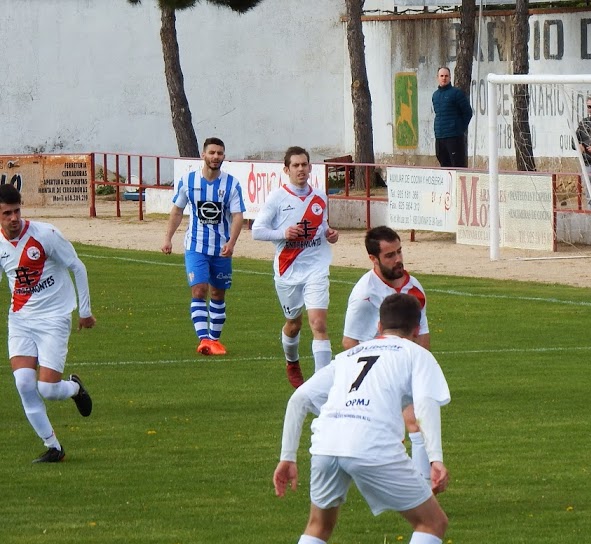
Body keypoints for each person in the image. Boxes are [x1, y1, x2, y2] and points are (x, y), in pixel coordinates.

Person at [273, 293, 451, 544]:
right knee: (432, 523)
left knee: (318, 525)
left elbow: (299, 398)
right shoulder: (417, 354)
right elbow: (426, 405)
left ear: (379, 326)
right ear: (416, 329)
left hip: (327, 442)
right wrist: (436, 459)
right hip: (371, 443)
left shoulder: (349, 355)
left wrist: (287, 457)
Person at [0, 184, 94, 463]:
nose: (14, 218)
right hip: (20, 320)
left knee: (48, 390)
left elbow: (77, 266)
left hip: (54, 318)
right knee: (23, 383)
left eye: (17, 211)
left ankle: (74, 388)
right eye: (7, 213)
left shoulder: (45, 234)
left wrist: (85, 312)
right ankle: (53, 447)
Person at [342, 226, 433, 485]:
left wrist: (421, 372)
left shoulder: (414, 288)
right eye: (390, 255)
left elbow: (422, 333)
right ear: (373, 259)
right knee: (389, 437)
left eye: (399, 252)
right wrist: (367, 381)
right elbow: (350, 342)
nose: (398, 259)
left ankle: (422, 487)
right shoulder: (364, 296)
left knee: (416, 423)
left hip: (405, 368)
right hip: (377, 374)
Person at [252, 146, 340, 388]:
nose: (301, 169)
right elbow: (257, 231)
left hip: (316, 268)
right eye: (296, 165)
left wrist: (330, 234)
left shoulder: (320, 197)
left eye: (304, 165)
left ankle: (321, 385)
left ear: (310, 167)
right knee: (294, 324)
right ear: (286, 170)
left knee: (318, 323)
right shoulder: (277, 198)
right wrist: (283, 233)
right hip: (288, 268)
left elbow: (322, 226)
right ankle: (292, 362)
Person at [161, 137, 245, 355]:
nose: (216, 157)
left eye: (219, 153)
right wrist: (168, 238)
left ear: (223, 156)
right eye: (212, 152)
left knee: (218, 293)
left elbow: (238, 216)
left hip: (221, 249)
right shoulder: (188, 181)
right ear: (203, 155)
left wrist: (231, 243)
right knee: (199, 289)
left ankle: (214, 341)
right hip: (195, 246)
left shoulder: (231, 184)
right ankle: (204, 340)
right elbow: (177, 211)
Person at [432, 66, 473, 168]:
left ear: (450, 77)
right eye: (441, 76)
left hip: (454, 137)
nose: (444, 78)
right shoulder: (435, 95)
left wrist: (460, 128)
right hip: (440, 137)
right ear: (437, 78)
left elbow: (468, 112)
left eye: (446, 76)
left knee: (457, 166)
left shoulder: (456, 93)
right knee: (444, 166)